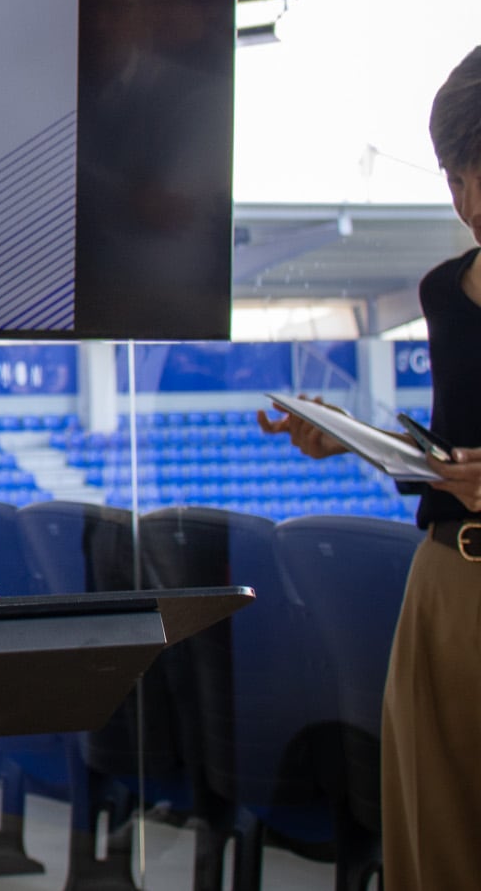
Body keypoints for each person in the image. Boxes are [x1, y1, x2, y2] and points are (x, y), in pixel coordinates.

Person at [257, 44, 481, 891]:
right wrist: (356, 438)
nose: (466, 204)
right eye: (453, 177)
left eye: (477, 173)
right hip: (446, 589)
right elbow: (449, 450)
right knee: (434, 842)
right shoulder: (442, 290)